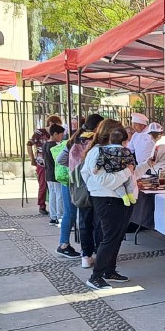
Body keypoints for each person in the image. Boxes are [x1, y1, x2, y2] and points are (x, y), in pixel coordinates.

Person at [81, 119, 134, 290]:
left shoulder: (113, 152)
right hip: (107, 199)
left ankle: (109, 270)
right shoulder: (98, 153)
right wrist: (127, 172)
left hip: (118, 199)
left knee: (116, 238)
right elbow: (103, 180)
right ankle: (95, 276)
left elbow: (128, 175)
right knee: (109, 238)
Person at [64, 114, 104, 269]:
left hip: (79, 186)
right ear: (98, 126)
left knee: (85, 222)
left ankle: (86, 255)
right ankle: (99, 254)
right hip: (95, 186)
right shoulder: (96, 142)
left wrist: (73, 169)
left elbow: (62, 159)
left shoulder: (74, 140)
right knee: (98, 222)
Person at [27, 115, 63, 215]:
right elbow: (29, 144)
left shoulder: (55, 136)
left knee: (52, 188)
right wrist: (32, 158)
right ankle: (42, 205)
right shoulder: (39, 133)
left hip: (53, 162)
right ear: (51, 123)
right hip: (42, 162)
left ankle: (53, 210)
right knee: (43, 185)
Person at [95, 128, 138, 206]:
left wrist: (96, 168)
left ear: (110, 141)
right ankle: (130, 194)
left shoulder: (104, 150)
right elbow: (131, 161)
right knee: (129, 182)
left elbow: (101, 160)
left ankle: (124, 196)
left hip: (113, 171)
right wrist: (132, 168)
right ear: (124, 142)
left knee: (118, 185)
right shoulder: (126, 150)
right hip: (125, 170)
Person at [42, 124, 65, 225]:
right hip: (55, 173)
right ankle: (59, 216)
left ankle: (53, 216)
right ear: (55, 134)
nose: (61, 137)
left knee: (52, 195)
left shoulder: (45, 144)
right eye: (61, 135)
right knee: (59, 195)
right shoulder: (55, 146)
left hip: (48, 172)